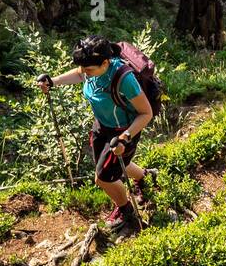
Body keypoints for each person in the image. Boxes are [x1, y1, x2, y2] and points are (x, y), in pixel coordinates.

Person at [37, 35, 154, 236]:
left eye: (89, 69)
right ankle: (146, 178)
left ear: (106, 63)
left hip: (124, 131)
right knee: (116, 166)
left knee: (103, 178)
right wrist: (53, 81)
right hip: (102, 126)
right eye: (84, 68)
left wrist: (125, 137)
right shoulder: (91, 69)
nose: (85, 73)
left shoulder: (123, 78)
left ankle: (126, 211)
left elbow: (146, 113)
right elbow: (79, 73)